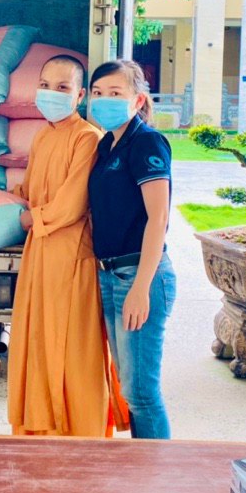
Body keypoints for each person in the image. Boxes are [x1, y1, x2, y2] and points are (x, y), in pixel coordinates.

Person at [7, 55, 127, 437]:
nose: (51, 94)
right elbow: (30, 189)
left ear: (79, 96)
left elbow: (72, 205)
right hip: (40, 252)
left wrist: (30, 219)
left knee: (74, 347)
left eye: (62, 88)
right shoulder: (42, 135)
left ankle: (81, 434)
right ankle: (40, 429)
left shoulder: (87, 137)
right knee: (38, 340)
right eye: (45, 85)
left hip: (72, 254)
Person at [87, 59, 175, 440]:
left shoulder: (146, 143)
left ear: (138, 100)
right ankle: (143, 464)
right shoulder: (107, 144)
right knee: (129, 388)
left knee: (142, 393)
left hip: (140, 275)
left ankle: (156, 470)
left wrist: (141, 287)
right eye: (97, 93)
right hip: (110, 275)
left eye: (115, 93)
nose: (104, 100)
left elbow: (158, 218)